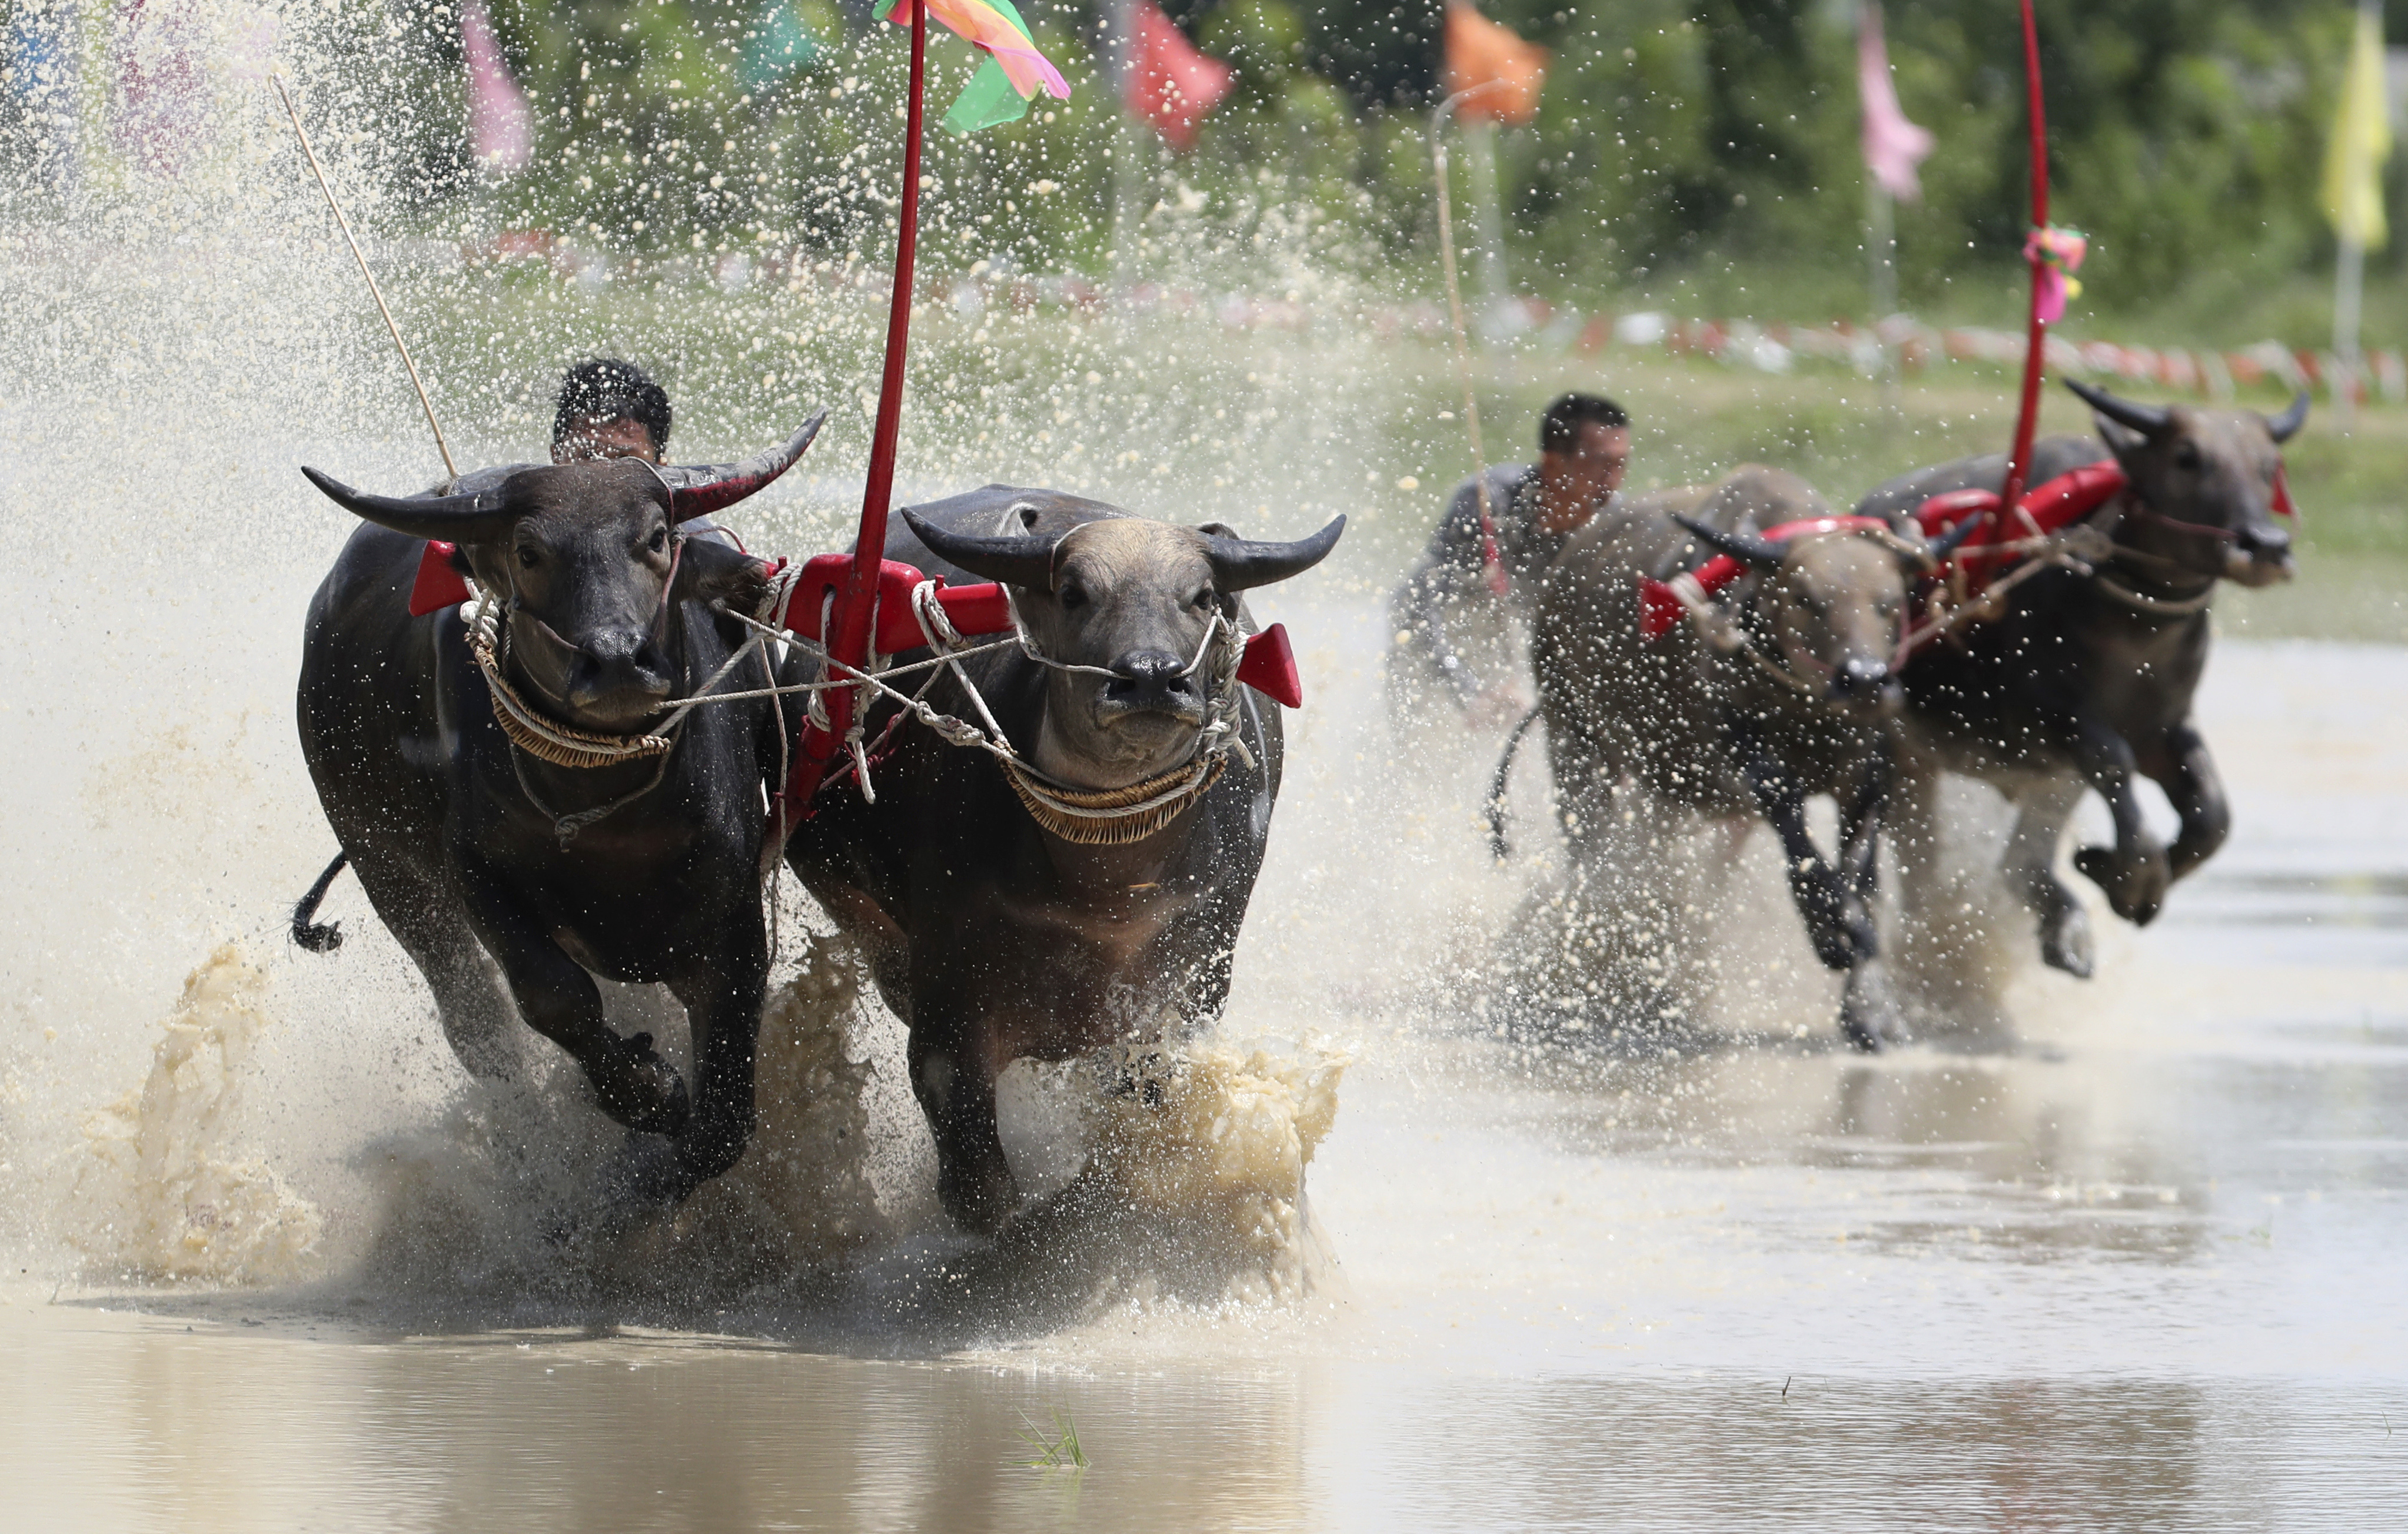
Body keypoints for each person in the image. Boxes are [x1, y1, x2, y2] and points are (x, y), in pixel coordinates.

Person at [1388, 393, 1631, 726]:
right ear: (1554, 464)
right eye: (1601, 464)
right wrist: (1471, 693)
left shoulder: (1615, 528)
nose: (1613, 481)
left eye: (1620, 465)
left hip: (1517, 656)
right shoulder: (1488, 504)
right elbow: (1421, 604)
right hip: (1435, 649)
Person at [549, 357, 740, 547]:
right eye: (588, 456)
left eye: (626, 460)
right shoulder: (532, 529)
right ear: (557, 458)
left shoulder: (695, 541)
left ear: (660, 469)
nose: (603, 478)